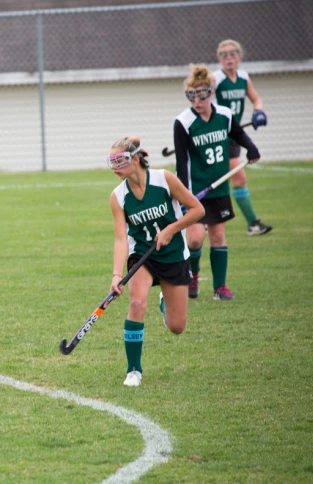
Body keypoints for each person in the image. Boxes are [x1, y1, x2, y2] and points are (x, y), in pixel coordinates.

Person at [108, 137, 205, 387]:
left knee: (177, 327)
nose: (115, 168)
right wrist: (116, 275)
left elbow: (197, 210)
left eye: (120, 161)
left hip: (173, 254)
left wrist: (172, 229)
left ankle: (165, 300)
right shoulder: (118, 197)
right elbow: (121, 240)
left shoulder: (164, 179)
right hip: (142, 254)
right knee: (137, 302)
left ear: (136, 159)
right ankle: (133, 370)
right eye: (112, 163)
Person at [174, 64, 260, 301]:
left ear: (211, 93)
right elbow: (181, 162)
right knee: (194, 239)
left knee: (218, 237)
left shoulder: (223, 114)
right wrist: (183, 196)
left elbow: (238, 134)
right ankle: (193, 274)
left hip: (219, 186)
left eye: (200, 96)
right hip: (195, 189)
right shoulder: (183, 122)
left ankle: (219, 287)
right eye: (191, 96)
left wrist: (250, 147)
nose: (196, 102)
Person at [213, 39, 272, 236]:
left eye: (232, 54)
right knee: (236, 178)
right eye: (224, 55)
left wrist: (258, 111)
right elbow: (209, 107)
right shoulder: (216, 79)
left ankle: (206, 221)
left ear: (240, 56)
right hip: (221, 136)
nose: (229, 58)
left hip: (234, 136)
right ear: (219, 59)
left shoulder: (243, 77)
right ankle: (252, 224)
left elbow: (255, 98)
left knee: (228, 179)